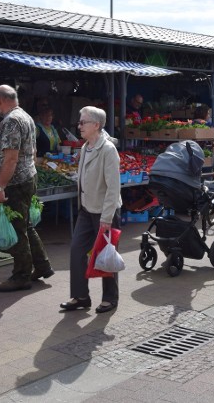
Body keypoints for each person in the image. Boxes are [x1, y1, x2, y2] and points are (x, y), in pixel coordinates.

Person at [0, 85, 53, 292]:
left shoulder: (12, 121)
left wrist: (0, 187)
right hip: (26, 177)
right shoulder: (25, 116)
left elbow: (11, 158)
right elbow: (31, 152)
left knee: (17, 228)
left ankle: (21, 275)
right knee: (25, 225)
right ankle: (41, 265)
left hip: (15, 182)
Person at [61, 106, 122, 314]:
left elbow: (114, 187)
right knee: (77, 250)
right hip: (87, 209)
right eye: (79, 122)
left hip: (105, 212)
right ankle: (80, 296)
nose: (79, 126)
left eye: (83, 122)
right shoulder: (86, 147)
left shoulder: (107, 149)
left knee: (105, 255)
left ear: (96, 125)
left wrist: (106, 218)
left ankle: (109, 298)